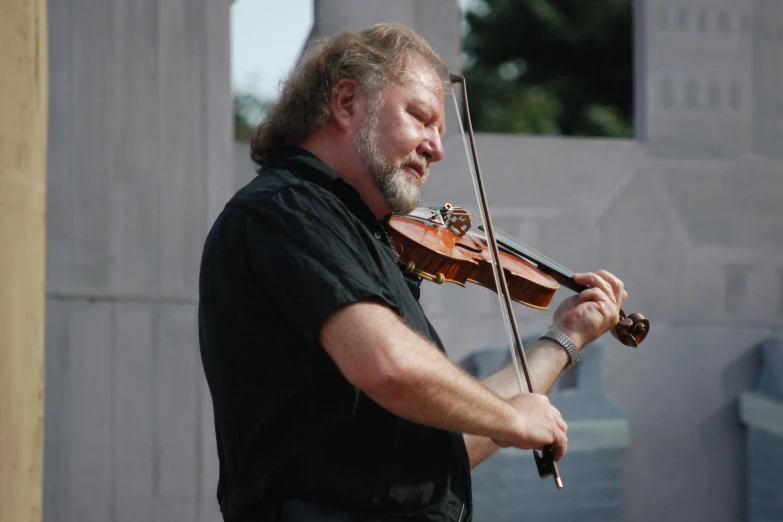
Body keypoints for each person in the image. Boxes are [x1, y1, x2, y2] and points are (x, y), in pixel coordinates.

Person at [198, 23, 628, 522]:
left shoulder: (366, 235)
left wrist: (564, 339)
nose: (436, 148)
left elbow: (441, 452)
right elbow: (387, 364)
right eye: (420, 118)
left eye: (441, 131)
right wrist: (511, 417)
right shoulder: (288, 208)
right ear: (346, 102)